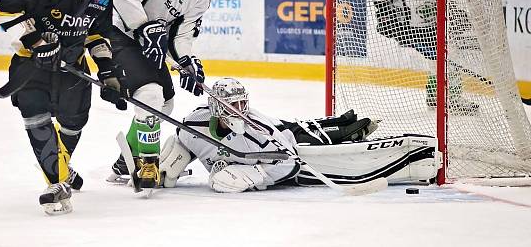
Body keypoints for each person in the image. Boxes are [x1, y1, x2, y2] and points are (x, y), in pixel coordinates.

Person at [0, 0, 125, 215]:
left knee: (73, 123)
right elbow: (6, 11)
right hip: (32, 67)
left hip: (73, 68)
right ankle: (55, 182)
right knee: (37, 119)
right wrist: (38, 43)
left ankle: (61, 167)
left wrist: (107, 71)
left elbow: (98, 34)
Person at [159, 78, 440, 192]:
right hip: (277, 132)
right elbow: (184, 141)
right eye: (234, 105)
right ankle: (344, 126)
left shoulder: (257, 131)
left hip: (284, 139)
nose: (241, 110)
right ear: (217, 108)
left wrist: (254, 175)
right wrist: (165, 170)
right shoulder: (194, 124)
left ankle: (407, 153)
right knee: (314, 129)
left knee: (323, 138)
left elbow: (289, 162)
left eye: (243, 103)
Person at [106, 0, 226, 191]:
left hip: (147, 43)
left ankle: (124, 161)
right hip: (119, 34)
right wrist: (143, 26)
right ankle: (147, 163)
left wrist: (187, 61)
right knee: (150, 95)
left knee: (166, 103)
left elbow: (180, 36)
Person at [381, 0, 477, 114]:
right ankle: (452, 99)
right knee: (447, 59)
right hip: (410, 28)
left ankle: (435, 97)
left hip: (435, 26)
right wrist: (386, 18)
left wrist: (456, 15)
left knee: (444, 58)